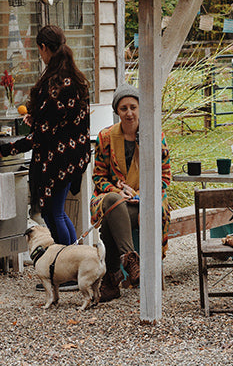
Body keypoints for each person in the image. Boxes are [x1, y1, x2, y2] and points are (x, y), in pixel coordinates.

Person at [0, 25, 91, 249]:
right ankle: (74, 262)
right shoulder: (76, 79)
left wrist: (8, 149)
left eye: (40, 50)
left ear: (44, 47)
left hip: (57, 159)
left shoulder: (53, 84)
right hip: (74, 156)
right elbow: (63, 122)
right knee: (59, 212)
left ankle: (66, 269)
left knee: (52, 213)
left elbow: (43, 135)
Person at [90, 82, 172, 302]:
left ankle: (111, 280)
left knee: (110, 218)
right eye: (123, 108)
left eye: (133, 107)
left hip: (145, 201)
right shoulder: (105, 137)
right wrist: (118, 190)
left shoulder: (155, 136)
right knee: (114, 201)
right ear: (117, 111)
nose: (129, 113)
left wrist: (140, 193)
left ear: (140, 109)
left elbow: (165, 177)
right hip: (115, 199)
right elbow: (98, 177)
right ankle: (131, 261)